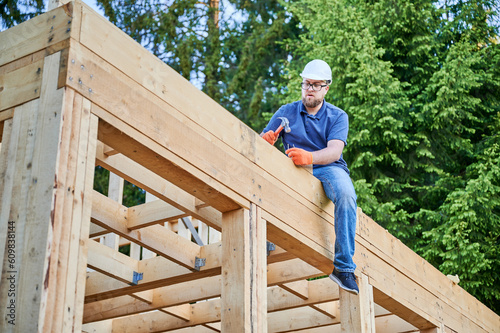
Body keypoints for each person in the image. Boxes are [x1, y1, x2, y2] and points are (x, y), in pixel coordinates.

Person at [260, 59, 359, 294]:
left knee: (346, 195)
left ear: (326, 88)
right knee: (266, 176)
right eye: (307, 84)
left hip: (328, 168)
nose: (310, 89)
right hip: (293, 169)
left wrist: (310, 158)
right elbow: (262, 140)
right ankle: (265, 237)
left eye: (316, 85)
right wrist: (264, 142)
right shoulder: (286, 112)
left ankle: (344, 268)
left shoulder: (338, 116)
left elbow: (334, 151)